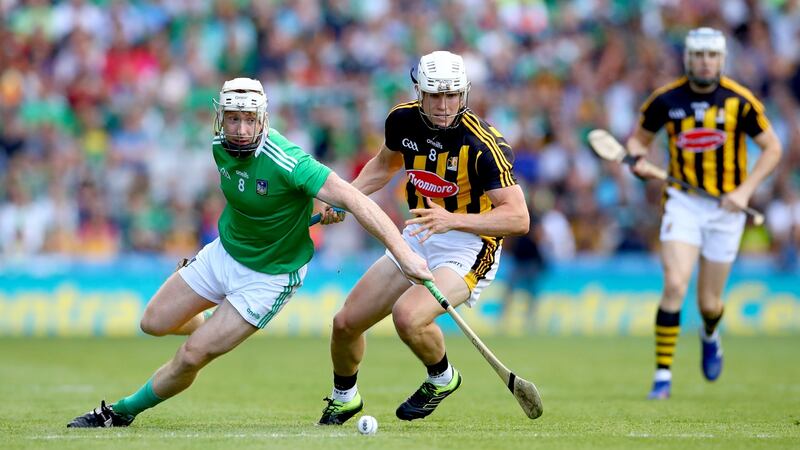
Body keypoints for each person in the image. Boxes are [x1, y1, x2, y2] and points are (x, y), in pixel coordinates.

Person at [66, 77, 433, 427]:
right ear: (221, 118)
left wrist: (403, 254)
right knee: (153, 322)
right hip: (223, 254)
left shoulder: (289, 160)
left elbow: (355, 200)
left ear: (263, 120)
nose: (241, 129)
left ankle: (120, 412)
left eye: (249, 120)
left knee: (192, 355)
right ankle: (212, 323)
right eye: (233, 119)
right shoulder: (218, 146)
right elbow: (261, 202)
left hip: (269, 277)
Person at [317, 51, 529, 424]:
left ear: (464, 94)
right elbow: (383, 167)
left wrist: (452, 220)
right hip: (418, 235)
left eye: (452, 95)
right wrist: (346, 198)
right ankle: (344, 397)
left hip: (469, 245)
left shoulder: (483, 145)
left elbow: (518, 218)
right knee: (345, 324)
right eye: (435, 96)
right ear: (420, 93)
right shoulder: (402, 121)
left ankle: (441, 377)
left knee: (408, 316)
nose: (444, 105)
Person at [626, 28, 782, 400]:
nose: (705, 62)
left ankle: (710, 332)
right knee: (675, 285)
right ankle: (662, 376)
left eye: (712, 55)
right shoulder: (666, 99)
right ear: (688, 58)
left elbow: (773, 148)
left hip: (726, 208)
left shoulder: (740, 101)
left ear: (722, 59)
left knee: (709, 303)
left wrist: (744, 191)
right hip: (682, 202)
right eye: (698, 55)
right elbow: (637, 141)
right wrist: (638, 160)